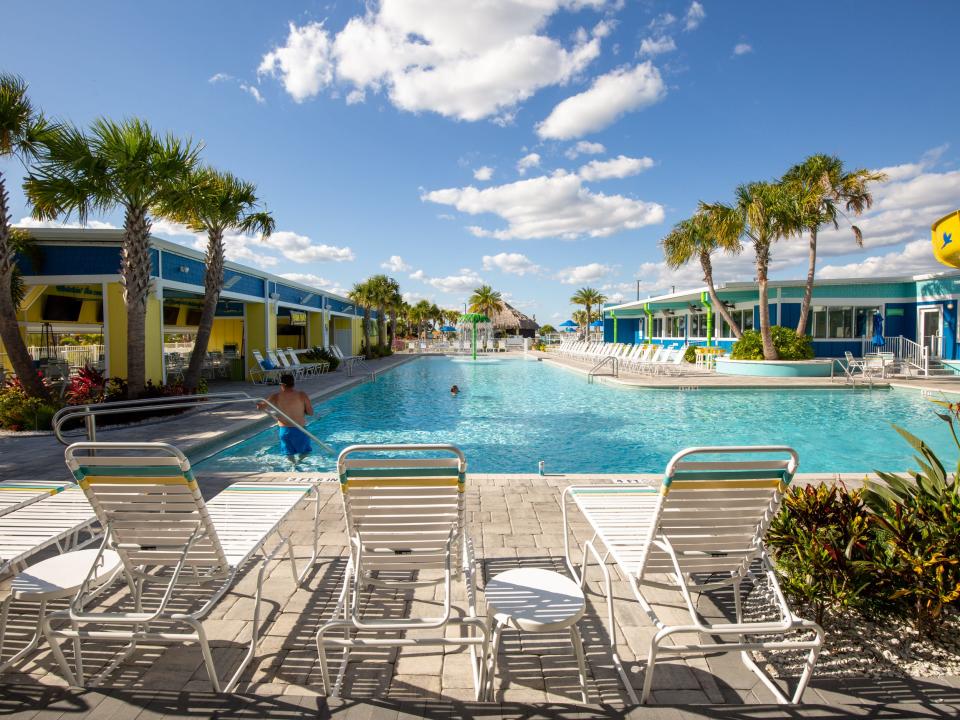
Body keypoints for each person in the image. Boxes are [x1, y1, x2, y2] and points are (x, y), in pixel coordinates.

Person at [258, 373, 314, 465]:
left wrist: (259, 405)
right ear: (293, 383)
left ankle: (293, 466)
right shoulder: (302, 395)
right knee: (305, 452)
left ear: (282, 385)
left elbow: (261, 407)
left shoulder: (275, 396)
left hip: (285, 431)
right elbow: (311, 413)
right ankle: (299, 463)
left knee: (289, 454)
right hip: (300, 429)